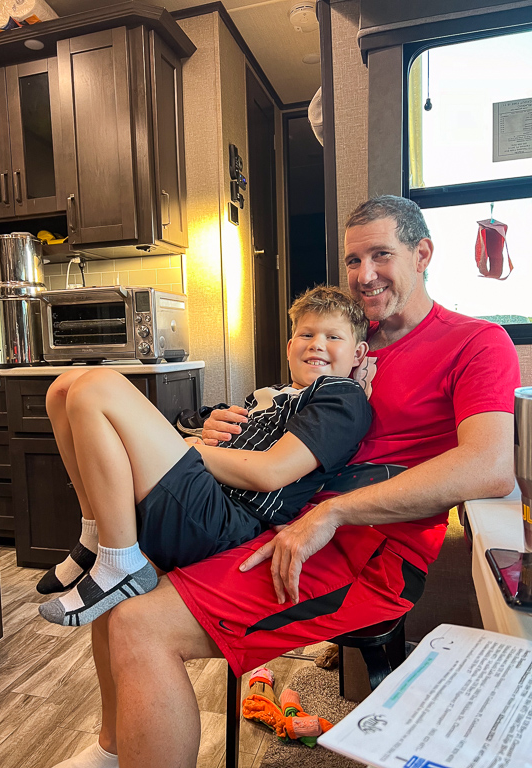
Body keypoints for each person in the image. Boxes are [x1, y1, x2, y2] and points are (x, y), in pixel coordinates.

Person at [51, 196, 519, 768]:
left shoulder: (475, 341)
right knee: (116, 593)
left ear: (422, 254)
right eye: (353, 260)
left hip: (368, 553)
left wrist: (333, 512)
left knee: (140, 623)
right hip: (276, 515)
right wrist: (228, 431)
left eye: (381, 255)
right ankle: (112, 750)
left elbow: (489, 465)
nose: (364, 275)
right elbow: (291, 429)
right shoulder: (346, 343)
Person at [38, 286, 372, 627]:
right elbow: (212, 434)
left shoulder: (341, 394)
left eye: (333, 336)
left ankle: (121, 563)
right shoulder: (271, 394)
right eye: (306, 334)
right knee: (63, 387)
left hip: (224, 518)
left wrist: (192, 448)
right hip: (203, 493)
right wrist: (202, 432)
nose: (316, 344)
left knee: (97, 385)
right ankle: (94, 532)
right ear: (289, 348)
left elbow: (271, 473)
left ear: (358, 353)